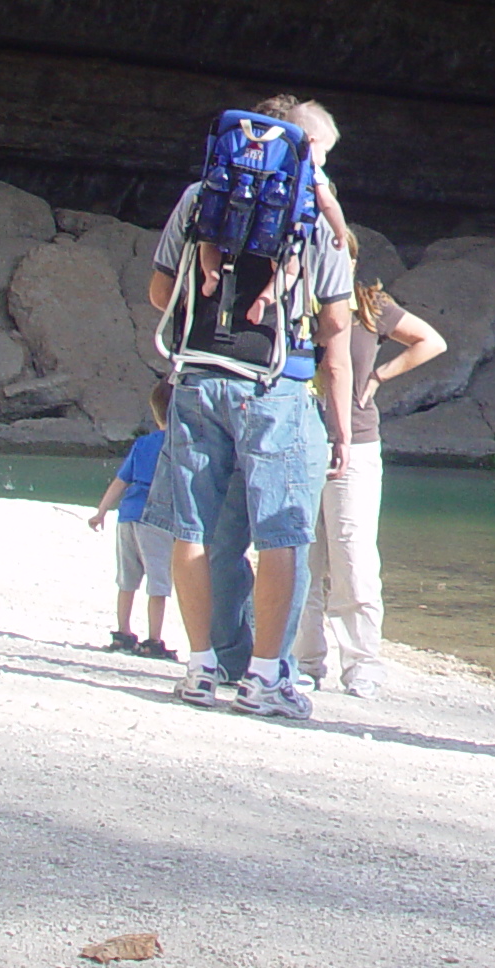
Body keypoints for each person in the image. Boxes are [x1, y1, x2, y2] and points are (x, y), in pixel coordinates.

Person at [144, 94, 354, 722]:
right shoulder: (316, 212)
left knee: (193, 526)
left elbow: (160, 292)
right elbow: (337, 332)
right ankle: (266, 677)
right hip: (275, 384)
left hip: (199, 374)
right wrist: (340, 428)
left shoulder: (199, 196)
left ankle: (201, 667)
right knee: (280, 534)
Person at [292, 273, 448, 698]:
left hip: (357, 442)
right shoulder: (295, 301)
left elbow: (431, 341)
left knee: (353, 554)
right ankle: (302, 660)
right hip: (298, 438)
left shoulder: (369, 306)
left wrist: (379, 376)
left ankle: (362, 663)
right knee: (300, 555)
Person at [88, 382, 176, 657]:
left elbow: (121, 480)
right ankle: (154, 640)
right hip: (157, 520)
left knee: (127, 579)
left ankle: (123, 633)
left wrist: (101, 511)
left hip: (127, 515)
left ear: (155, 412)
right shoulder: (180, 446)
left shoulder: (143, 443)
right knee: (158, 583)